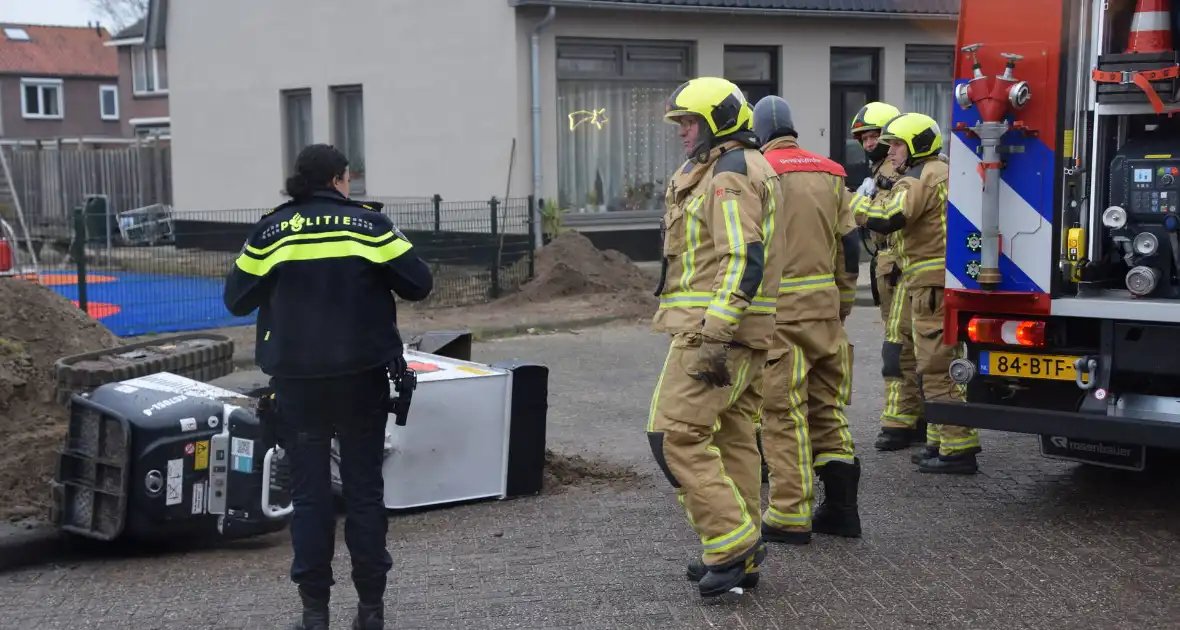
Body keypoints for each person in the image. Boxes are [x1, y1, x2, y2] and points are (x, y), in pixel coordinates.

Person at [223, 143, 434, 629]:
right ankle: (371, 610)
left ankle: (314, 614)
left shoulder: (272, 230)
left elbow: (236, 299)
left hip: (297, 386)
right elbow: (419, 283)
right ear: (341, 179)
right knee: (363, 494)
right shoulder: (371, 225)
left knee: (311, 498)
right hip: (362, 380)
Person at [646, 76, 784, 597]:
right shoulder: (742, 166)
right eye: (680, 123)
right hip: (745, 333)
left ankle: (731, 543)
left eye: (689, 122)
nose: (682, 132)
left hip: (714, 333)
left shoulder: (727, 176)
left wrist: (714, 334)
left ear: (718, 122)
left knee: (673, 434)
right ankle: (740, 557)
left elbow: (741, 258)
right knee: (731, 440)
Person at [751, 95, 862, 546]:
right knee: (827, 410)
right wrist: (845, 300)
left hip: (779, 317)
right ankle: (841, 512)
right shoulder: (833, 172)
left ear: (760, 133)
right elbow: (850, 246)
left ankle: (789, 514)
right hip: (825, 313)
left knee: (781, 415)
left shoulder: (757, 171)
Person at [852, 113, 981, 475]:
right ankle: (942, 442)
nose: (889, 150)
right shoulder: (939, 171)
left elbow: (889, 217)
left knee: (937, 365)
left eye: (895, 144)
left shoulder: (919, 178)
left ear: (916, 146)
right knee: (933, 361)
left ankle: (957, 448)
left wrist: (857, 204)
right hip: (933, 282)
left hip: (930, 285)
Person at [846, 102, 928, 452]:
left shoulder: (897, 175)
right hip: (888, 267)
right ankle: (917, 416)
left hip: (899, 268)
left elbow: (890, 218)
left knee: (900, 345)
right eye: (862, 136)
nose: (868, 142)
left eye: (874, 135)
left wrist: (855, 203)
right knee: (907, 343)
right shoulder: (883, 171)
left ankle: (901, 421)